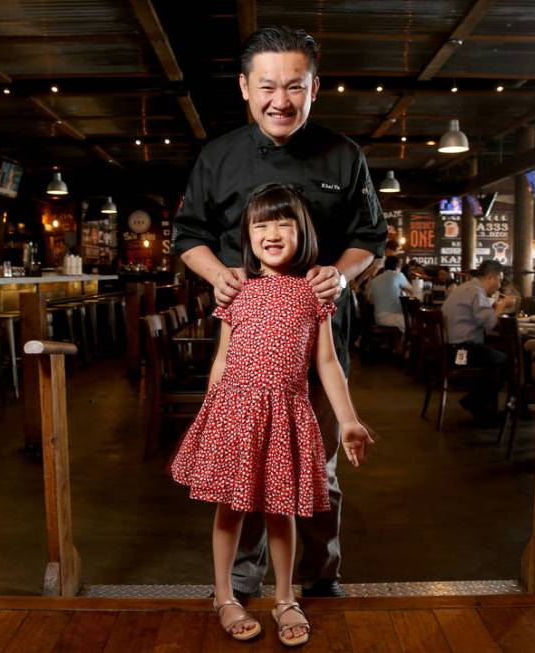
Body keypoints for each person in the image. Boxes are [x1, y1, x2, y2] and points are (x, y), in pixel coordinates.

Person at [172, 25, 386, 600]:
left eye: (296, 86)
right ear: (245, 87)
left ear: (316, 88)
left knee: (318, 468)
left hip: (316, 340)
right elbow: (187, 235)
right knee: (243, 472)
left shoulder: (345, 155)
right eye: (268, 86)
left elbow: (372, 237)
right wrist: (218, 275)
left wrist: (341, 273)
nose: (281, 100)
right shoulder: (217, 156)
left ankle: (318, 576)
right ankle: (242, 581)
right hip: (245, 347)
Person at [170, 185, 372, 645]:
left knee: (282, 510)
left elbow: (327, 364)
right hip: (235, 411)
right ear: (248, 234)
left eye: (284, 223)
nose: (272, 233)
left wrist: (349, 420)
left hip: (287, 414)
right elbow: (222, 358)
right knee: (231, 508)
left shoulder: (313, 293)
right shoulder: (235, 289)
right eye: (261, 224)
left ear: (303, 233)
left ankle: (284, 598)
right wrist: (211, 412)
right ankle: (224, 595)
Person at [441, 259, 516, 424]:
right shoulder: (476, 292)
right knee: (506, 361)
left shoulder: (465, 288)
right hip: (461, 352)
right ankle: (477, 403)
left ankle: (481, 406)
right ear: (491, 277)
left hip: (450, 349)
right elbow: (491, 323)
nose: (499, 286)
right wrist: (502, 305)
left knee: (496, 357)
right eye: (499, 280)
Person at [367, 255, 409, 330]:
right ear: (398, 266)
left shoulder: (375, 279)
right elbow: (413, 291)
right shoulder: (398, 275)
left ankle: (401, 340)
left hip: (378, 318)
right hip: (392, 317)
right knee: (414, 321)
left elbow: (370, 300)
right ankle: (406, 341)